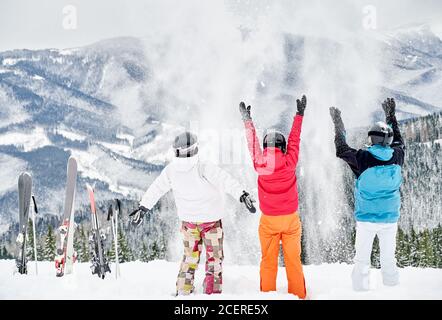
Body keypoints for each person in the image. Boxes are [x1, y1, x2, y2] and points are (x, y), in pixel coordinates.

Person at [129, 131, 255, 296]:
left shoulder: (171, 170)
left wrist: (143, 207)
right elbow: (225, 180)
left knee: (190, 258)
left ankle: (183, 291)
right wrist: (242, 194)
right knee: (214, 259)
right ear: (194, 149)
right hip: (211, 223)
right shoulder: (203, 167)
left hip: (189, 224)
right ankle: (212, 292)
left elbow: (156, 189)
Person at [329, 98, 405, 291]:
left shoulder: (362, 159)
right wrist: (391, 115)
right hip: (390, 218)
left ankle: (360, 291)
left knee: (362, 259)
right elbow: (398, 140)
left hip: (366, 218)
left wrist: (338, 124)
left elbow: (341, 149)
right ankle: (393, 290)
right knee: (389, 259)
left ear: (372, 138)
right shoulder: (397, 156)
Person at [238, 95, 307, 299]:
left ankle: (267, 297)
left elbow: (252, 144)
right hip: (290, 220)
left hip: (268, 221)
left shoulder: (260, 163)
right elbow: (295, 139)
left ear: (267, 146)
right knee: (293, 260)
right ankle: (299, 295)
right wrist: (299, 115)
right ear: (282, 147)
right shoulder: (290, 162)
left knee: (268, 261)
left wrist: (247, 121)